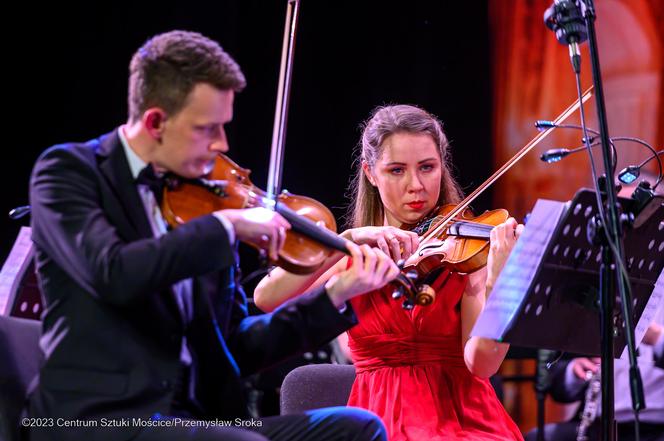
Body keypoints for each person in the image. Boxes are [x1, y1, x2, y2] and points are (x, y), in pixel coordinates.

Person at [26, 30, 401, 441]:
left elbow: (238, 346)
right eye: (208, 129)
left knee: (357, 428)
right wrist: (225, 227)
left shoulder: (206, 203)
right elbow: (112, 272)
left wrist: (336, 294)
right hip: (100, 420)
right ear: (155, 122)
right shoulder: (70, 172)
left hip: (199, 420)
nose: (222, 143)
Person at [254, 104, 524, 440]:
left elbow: (482, 365)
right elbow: (267, 298)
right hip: (379, 418)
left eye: (428, 167)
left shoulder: (467, 253)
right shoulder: (349, 252)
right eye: (397, 170)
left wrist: (499, 283)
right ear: (370, 172)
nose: (416, 185)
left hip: (466, 420)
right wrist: (345, 240)